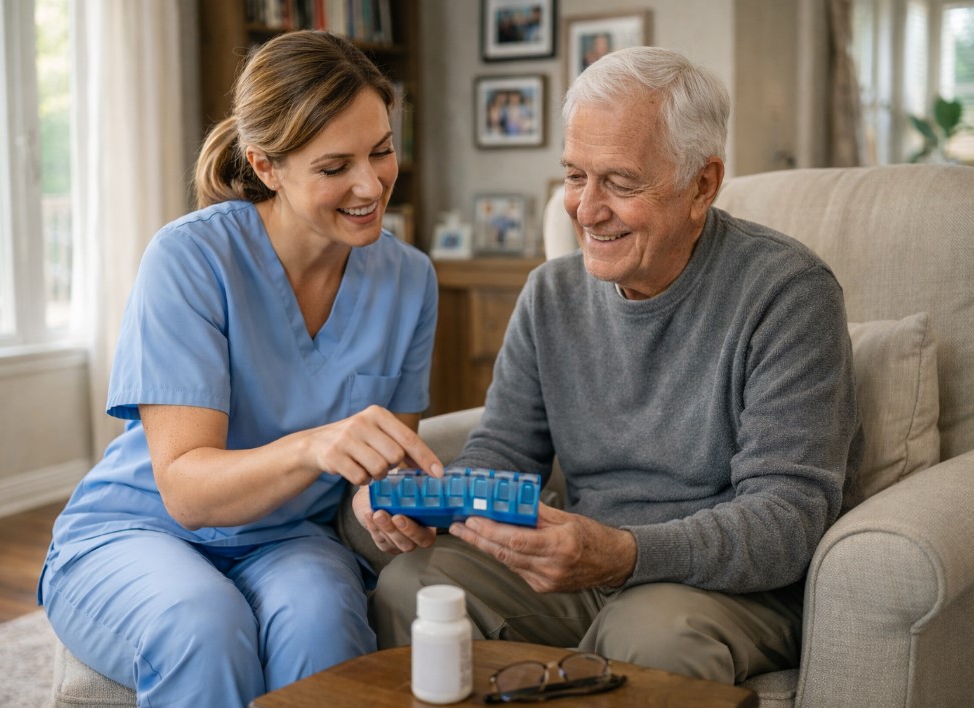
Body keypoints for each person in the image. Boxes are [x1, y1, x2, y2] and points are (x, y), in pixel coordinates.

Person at [359, 46, 863, 685]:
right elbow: (505, 451)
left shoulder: (788, 293)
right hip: (581, 566)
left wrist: (622, 555)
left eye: (620, 183)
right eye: (575, 176)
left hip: (720, 586)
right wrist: (429, 500)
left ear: (701, 184)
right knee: (417, 584)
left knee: (647, 635)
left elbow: (787, 520)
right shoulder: (551, 293)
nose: (586, 210)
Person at [38, 30, 443, 707]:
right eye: (334, 166)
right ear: (266, 166)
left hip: (287, 537)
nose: (370, 185)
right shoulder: (190, 261)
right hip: (140, 527)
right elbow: (188, 492)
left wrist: (384, 499)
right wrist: (317, 445)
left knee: (325, 627)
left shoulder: (410, 279)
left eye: (381, 151)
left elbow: (381, 464)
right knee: (203, 623)